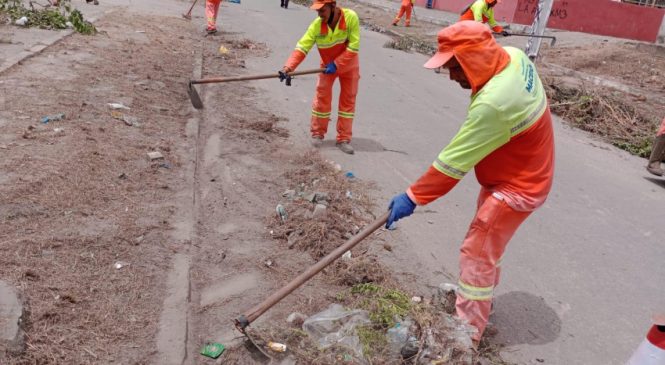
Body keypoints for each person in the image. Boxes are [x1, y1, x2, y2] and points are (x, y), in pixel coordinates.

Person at [385, 21, 555, 346]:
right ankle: (479, 301)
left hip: (518, 187)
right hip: (519, 170)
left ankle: (464, 338)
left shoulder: (495, 102)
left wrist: (412, 196)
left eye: (454, 66)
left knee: (477, 254)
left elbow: (451, 164)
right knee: (488, 249)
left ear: (475, 58)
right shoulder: (514, 57)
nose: (450, 76)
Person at [281, 0, 360, 155]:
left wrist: (337, 64)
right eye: (317, 11)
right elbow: (302, 47)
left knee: (347, 102)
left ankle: (343, 138)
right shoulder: (317, 25)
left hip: (349, 66)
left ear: (332, 7)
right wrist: (288, 67)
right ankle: (318, 133)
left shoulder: (351, 17)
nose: (319, 14)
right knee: (322, 97)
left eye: (322, 10)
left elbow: (354, 46)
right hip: (326, 67)